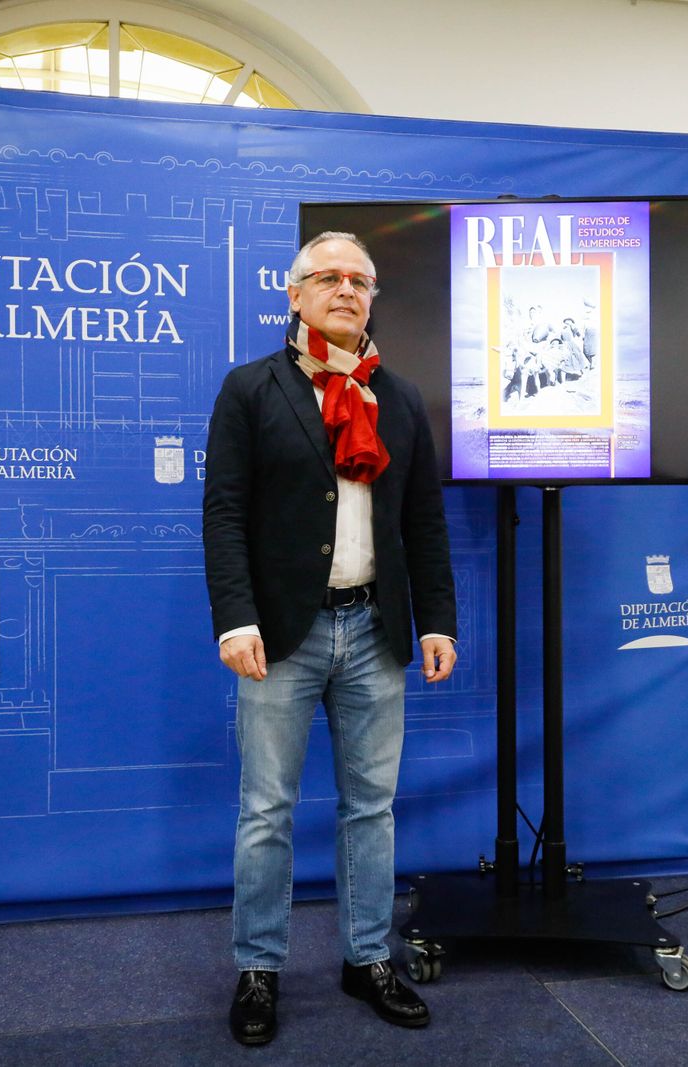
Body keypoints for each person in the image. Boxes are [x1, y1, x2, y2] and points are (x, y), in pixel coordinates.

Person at [203, 231, 459, 1047]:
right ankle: (259, 968)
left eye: (360, 280)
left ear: (373, 296)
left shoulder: (402, 397)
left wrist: (438, 619)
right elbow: (224, 515)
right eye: (328, 278)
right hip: (281, 634)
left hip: (375, 628)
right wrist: (235, 618)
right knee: (267, 809)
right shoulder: (251, 389)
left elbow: (422, 520)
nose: (346, 290)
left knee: (372, 808)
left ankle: (365, 956)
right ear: (294, 294)